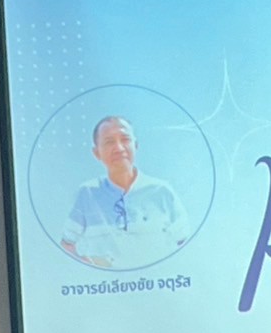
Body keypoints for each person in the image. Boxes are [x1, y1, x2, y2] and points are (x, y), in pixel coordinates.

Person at [61, 115, 189, 269]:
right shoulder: (87, 194)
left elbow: (185, 243)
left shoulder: (161, 192)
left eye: (125, 139)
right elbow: (66, 245)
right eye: (109, 142)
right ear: (96, 153)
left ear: (136, 145)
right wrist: (91, 269)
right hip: (105, 283)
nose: (119, 148)